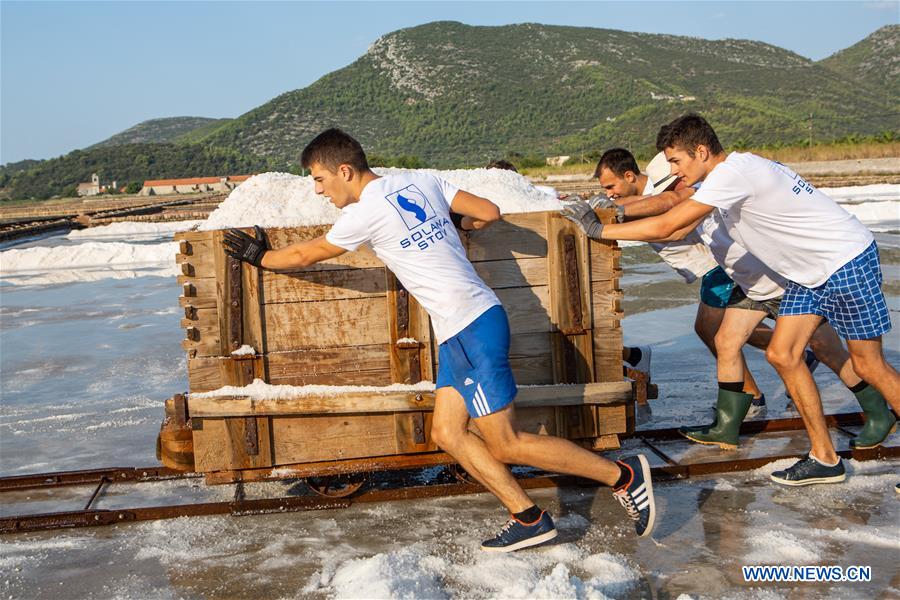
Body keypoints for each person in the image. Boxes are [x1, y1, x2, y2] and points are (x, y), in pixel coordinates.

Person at [223, 128, 657, 550]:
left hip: (471, 327)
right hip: (461, 330)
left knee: (506, 442)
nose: (318, 190)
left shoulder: (364, 213)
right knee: (448, 432)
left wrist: (258, 256)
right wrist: (454, 222)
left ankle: (622, 476)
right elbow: (489, 211)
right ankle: (528, 517)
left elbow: (304, 254)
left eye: (319, 179)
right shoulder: (420, 181)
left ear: (344, 171)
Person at [564, 114, 898, 485]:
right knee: (782, 354)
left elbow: (669, 223)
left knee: (869, 365)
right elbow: (674, 223)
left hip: (844, 259)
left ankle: (871, 419)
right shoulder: (726, 175)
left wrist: (598, 228)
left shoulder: (731, 174)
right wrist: (614, 216)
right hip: (808, 274)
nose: (673, 170)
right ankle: (825, 458)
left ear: (701, 151)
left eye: (676, 161)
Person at [586, 148, 772, 412]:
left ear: (629, 176)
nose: (609, 194)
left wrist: (609, 214)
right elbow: (643, 203)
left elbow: (664, 202)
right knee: (741, 329)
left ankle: (752, 395)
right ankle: (799, 353)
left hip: (718, 266)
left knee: (711, 330)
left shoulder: (663, 190)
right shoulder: (646, 195)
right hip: (715, 267)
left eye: (610, 187)